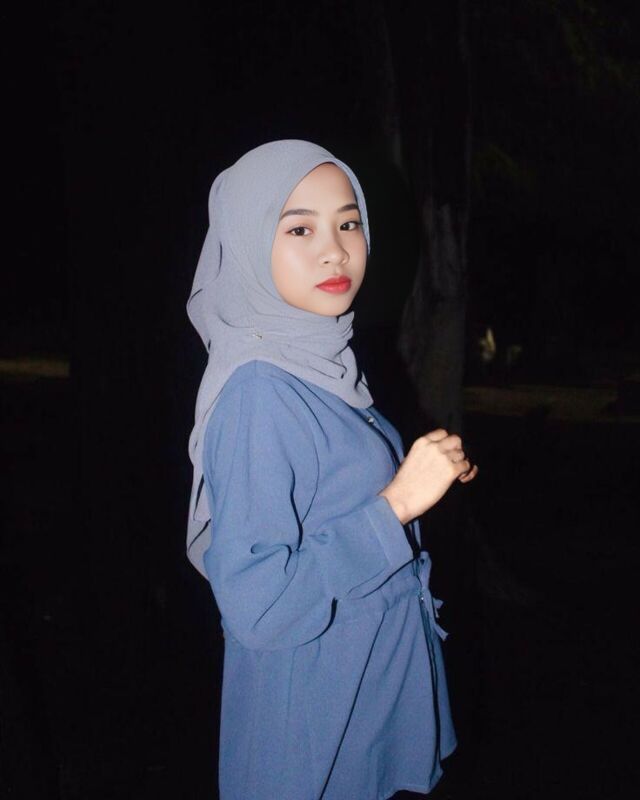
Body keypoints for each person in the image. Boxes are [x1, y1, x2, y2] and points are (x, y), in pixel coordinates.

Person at [186, 139, 478, 800]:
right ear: (248, 241)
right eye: (299, 229)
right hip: (318, 727)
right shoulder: (260, 392)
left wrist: (421, 473)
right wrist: (397, 504)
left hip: (366, 696)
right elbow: (259, 605)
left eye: (348, 223)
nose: (335, 250)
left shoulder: (317, 361)